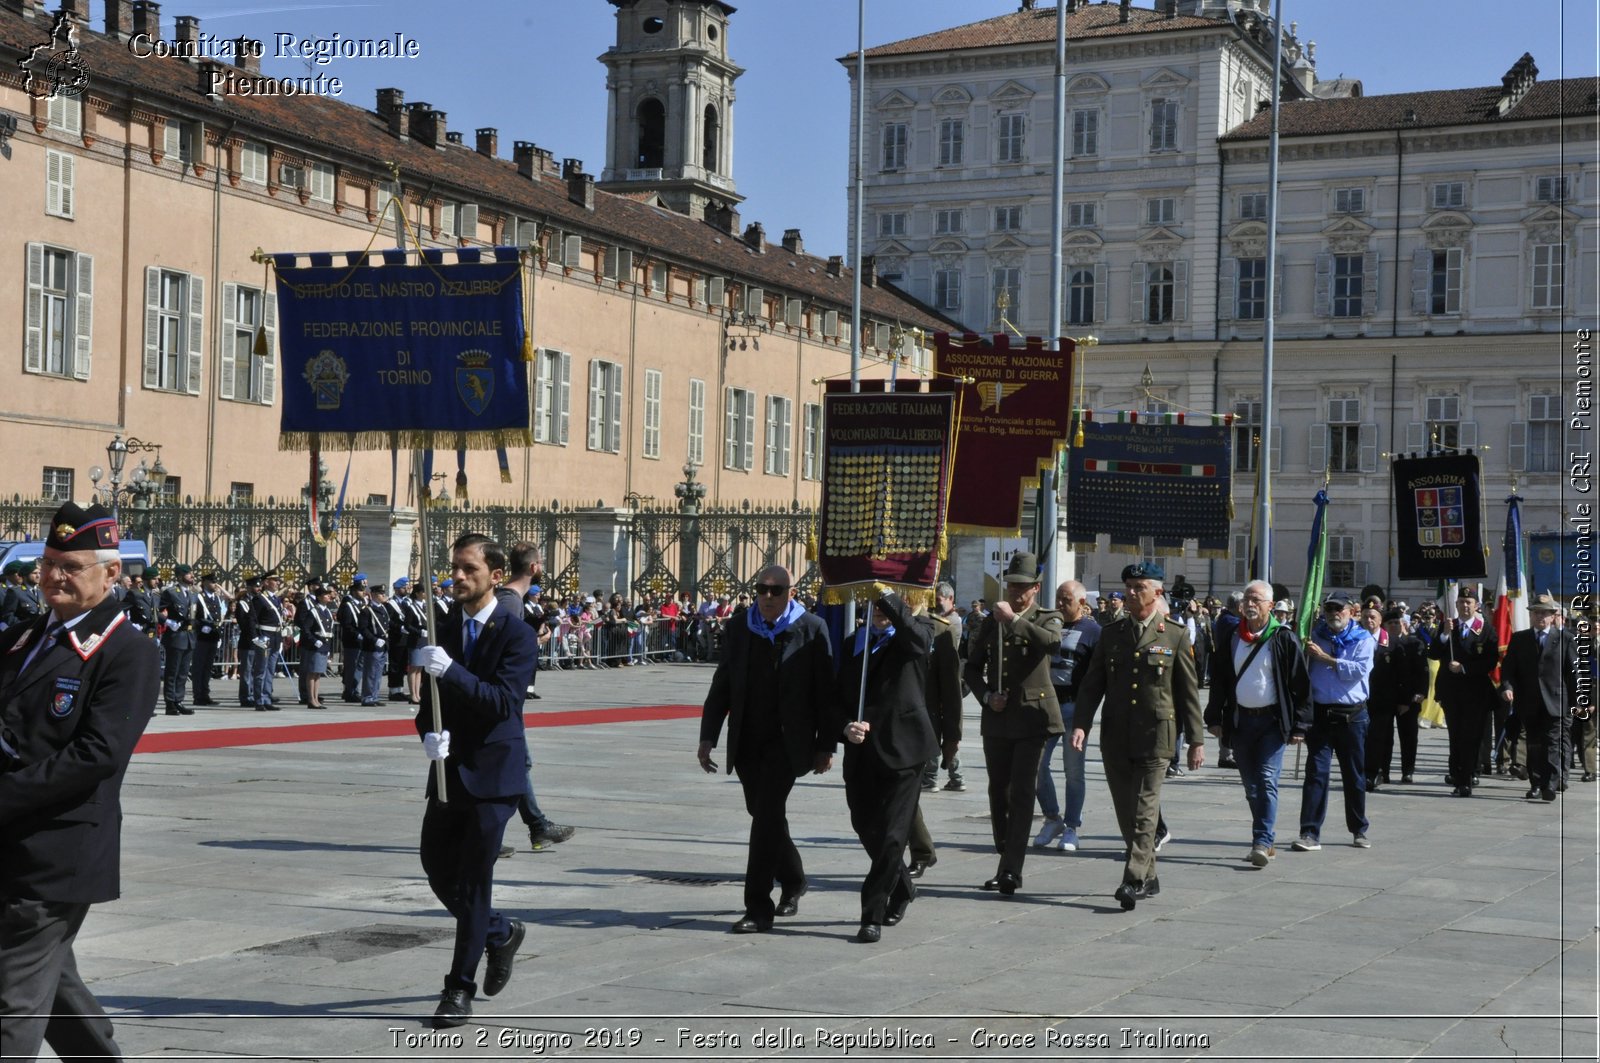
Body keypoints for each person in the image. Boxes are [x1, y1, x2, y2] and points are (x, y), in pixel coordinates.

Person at [0, 501, 160, 1061]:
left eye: (70, 566)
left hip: (58, 849)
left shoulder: (127, 653)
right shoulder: (22, 638)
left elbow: (98, 753)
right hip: (11, 842)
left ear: (111, 573)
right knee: (53, 986)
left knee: (10, 1001)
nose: (53, 576)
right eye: (48, 563)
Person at [413, 533, 539, 1028]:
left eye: (469, 569)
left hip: (494, 775)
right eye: (454, 568)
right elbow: (429, 707)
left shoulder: (516, 633)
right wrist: (427, 734)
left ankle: (457, 989)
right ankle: (500, 933)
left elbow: (503, 703)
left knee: (472, 878)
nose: (458, 577)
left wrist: (454, 672)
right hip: (448, 770)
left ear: (493, 573)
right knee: (435, 866)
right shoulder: (440, 626)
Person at [698, 564, 836, 934]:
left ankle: (758, 908)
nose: (768, 596)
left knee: (766, 818)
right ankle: (794, 878)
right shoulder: (740, 626)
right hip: (747, 739)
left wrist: (826, 746)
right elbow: (722, 683)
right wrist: (708, 736)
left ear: (791, 592)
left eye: (777, 590)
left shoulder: (811, 628)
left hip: (787, 742)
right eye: (762, 588)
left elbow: (826, 694)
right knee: (762, 813)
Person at [1073, 562, 1204, 910]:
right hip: (1116, 734)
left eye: (1139, 587)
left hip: (1156, 735)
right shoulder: (1111, 633)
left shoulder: (1174, 634)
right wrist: (1081, 724)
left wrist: (1197, 740)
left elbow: (1188, 692)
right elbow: (1092, 685)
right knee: (1126, 811)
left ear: (1156, 593)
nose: (1131, 593)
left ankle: (1131, 879)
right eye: (1128, 586)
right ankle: (1149, 875)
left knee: (1146, 810)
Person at [838, 593, 938, 943]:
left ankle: (871, 915)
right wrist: (844, 726)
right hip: (862, 752)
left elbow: (917, 641)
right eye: (873, 601)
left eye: (884, 603)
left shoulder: (918, 631)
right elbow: (839, 697)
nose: (878, 609)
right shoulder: (855, 642)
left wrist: (889, 599)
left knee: (894, 835)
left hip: (905, 751)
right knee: (867, 828)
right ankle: (903, 887)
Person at [961, 552, 1063, 897]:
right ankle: (1005, 854)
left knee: (1022, 793)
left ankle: (1011, 870)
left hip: (1033, 718)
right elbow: (972, 667)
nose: (1016, 592)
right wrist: (987, 696)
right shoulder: (991, 621)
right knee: (998, 793)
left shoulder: (1047, 618)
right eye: (1011, 585)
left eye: (1022, 587)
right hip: (999, 718)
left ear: (1035, 588)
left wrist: (1015, 620)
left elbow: (1052, 644)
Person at [1204, 579, 1311, 866]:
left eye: (1256, 600)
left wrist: (1300, 725)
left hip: (1272, 723)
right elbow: (1220, 681)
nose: (1250, 604)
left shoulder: (1283, 638)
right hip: (1241, 721)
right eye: (1247, 599)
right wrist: (1214, 718)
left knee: (1266, 779)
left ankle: (1261, 841)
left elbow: (1301, 685)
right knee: (1251, 786)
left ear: (1270, 606)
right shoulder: (1231, 637)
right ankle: (1266, 835)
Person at [495, 543, 575, 856]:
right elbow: (501, 648)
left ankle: (537, 827)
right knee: (511, 764)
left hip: (507, 700)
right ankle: (524, 828)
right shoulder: (510, 602)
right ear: (534, 568)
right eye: (541, 561)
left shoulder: (510, 601)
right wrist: (534, 639)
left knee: (517, 763)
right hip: (501, 700)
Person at [1292, 594, 1376, 851]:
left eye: (1338, 609)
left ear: (1352, 611)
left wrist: (1325, 658)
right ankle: (1309, 832)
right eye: (1328, 609)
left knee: (1354, 775)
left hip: (1352, 716)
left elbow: (1357, 671)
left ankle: (1359, 829)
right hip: (1320, 715)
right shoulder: (1315, 635)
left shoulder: (1363, 639)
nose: (1333, 614)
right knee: (1316, 774)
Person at [1034, 579, 1101, 854]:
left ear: (1082, 603)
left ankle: (1072, 826)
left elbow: (1097, 679)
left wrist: (1087, 718)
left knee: (1073, 771)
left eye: (1066, 600)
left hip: (1075, 709)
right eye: (1058, 599)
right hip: (1047, 706)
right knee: (1036, 765)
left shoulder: (1094, 632)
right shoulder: (1051, 624)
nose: (1060, 604)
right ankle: (1052, 818)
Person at [1500, 593, 1579, 802]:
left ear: (1553, 616)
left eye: (1545, 613)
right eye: (1536, 613)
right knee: (1534, 744)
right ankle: (1535, 783)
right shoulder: (1520, 639)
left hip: (1556, 702)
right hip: (1529, 701)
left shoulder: (1565, 639)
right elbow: (1509, 669)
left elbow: (1574, 673)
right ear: (1531, 616)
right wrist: (1507, 687)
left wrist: (1577, 701)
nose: (1540, 617)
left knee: (1553, 743)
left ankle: (1550, 784)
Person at [907, 587, 963, 880]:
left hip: (921, 725)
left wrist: (952, 736)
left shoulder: (939, 631)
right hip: (883, 723)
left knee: (906, 793)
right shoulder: (881, 626)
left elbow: (951, 689)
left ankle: (919, 851)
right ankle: (922, 850)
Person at [1429, 587, 1498, 796]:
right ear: (1456, 605)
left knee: (1471, 736)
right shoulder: (1448, 626)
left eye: (1469, 602)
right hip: (1451, 692)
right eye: (1461, 602)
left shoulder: (1485, 629)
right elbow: (1433, 652)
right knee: (1455, 736)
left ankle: (1466, 778)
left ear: (1476, 606)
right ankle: (1457, 774)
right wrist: (1444, 635)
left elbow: (1490, 660)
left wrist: (1465, 668)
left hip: (1475, 692)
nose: (1464, 606)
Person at [1365, 606, 1428, 787]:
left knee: (1408, 735)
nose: (1394, 625)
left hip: (1408, 698)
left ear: (1403, 624)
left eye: (1397, 622)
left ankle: (1407, 770)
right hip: (1384, 698)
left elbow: (1420, 673)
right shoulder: (1379, 642)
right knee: (1383, 737)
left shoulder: (1414, 643)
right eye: (1390, 622)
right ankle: (1382, 770)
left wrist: (1413, 697)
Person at [159, 564, 199, 715]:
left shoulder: (192, 594)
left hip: (189, 637)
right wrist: (168, 622)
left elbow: (195, 615)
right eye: (189, 574)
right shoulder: (171, 592)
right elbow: (157, 611)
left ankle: (179, 700)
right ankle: (170, 703)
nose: (192, 577)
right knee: (172, 671)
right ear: (180, 576)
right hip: (176, 636)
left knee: (183, 672)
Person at [248, 571, 286, 710]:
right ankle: (259, 700)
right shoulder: (259, 599)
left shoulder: (276, 599)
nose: (277, 582)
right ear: (266, 582)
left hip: (275, 638)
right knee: (261, 670)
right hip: (264, 637)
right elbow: (252, 619)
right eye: (274, 580)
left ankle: (266, 697)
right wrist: (255, 637)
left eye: (277, 580)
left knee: (270, 670)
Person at [299, 583, 336, 709]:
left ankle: (315, 698)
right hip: (315, 646)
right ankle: (311, 699)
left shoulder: (327, 612)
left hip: (324, 645)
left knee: (318, 673)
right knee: (312, 673)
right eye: (326, 594)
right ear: (319, 597)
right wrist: (313, 640)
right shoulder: (314, 611)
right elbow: (306, 629)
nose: (328, 597)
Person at [191, 571, 225, 706]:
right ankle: (198, 695)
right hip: (202, 637)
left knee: (207, 667)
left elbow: (219, 616)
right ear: (204, 583)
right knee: (199, 667)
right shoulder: (198, 597)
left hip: (213, 636)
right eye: (212, 581)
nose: (214, 584)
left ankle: (205, 693)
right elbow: (193, 617)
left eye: (215, 581)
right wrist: (200, 627)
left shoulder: (216, 598)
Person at [358, 583, 392, 707]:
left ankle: (374, 696)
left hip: (383, 645)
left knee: (378, 673)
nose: (384, 596)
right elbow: (363, 628)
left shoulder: (383, 608)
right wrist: (374, 639)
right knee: (370, 672)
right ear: (374, 595)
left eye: (383, 594)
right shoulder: (367, 610)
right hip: (372, 645)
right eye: (381, 594)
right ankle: (367, 697)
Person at [338, 574, 369, 703]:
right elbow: (346, 623)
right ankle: (349, 691)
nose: (364, 592)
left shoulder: (362, 604)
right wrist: (357, 634)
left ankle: (354, 689)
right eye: (361, 590)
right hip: (352, 641)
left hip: (361, 641)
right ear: (354, 591)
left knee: (359, 667)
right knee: (351, 667)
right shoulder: (347, 605)